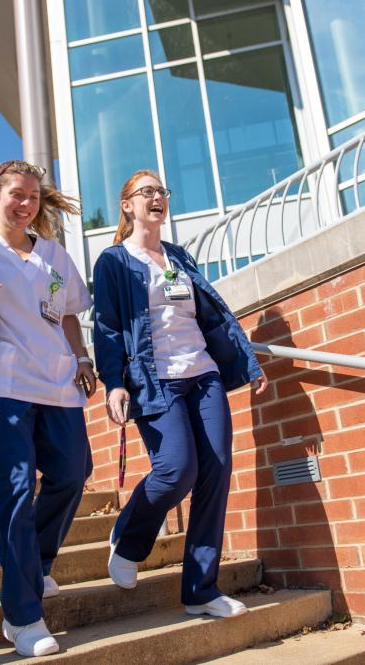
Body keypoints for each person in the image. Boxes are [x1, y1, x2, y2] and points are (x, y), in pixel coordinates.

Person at [93, 169, 268, 619]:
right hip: (155, 380)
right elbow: (108, 327)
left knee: (216, 470)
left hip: (203, 374)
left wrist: (246, 363)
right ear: (127, 205)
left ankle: (200, 590)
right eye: (146, 191)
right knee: (176, 469)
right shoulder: (114, 260)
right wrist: (114, 382)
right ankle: (130, 536)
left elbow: (213, 317)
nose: (157, 197)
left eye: (161, 191)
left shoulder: (179, 256)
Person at [0, 160, 94, 658]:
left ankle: (36, 561)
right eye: (16, 194)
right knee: (13, 488)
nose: (25, 204)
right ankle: (23, 615)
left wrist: (81, 356)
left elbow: (69, 312)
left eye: (33, 196)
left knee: (74, 473)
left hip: (57, 383)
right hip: (0, 381)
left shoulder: (54, 254)